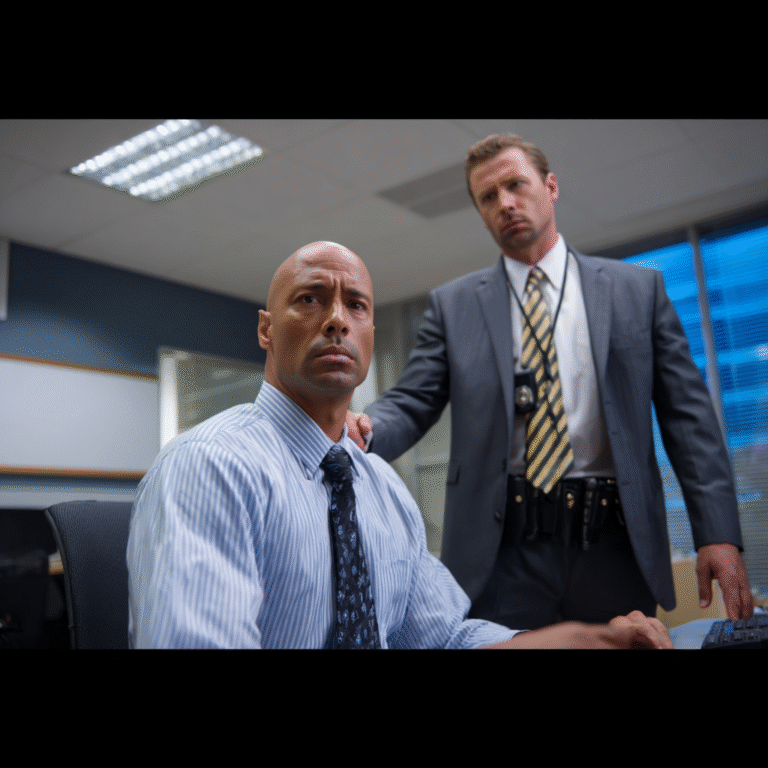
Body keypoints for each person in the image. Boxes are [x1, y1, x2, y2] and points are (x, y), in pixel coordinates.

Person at [127, 240, 672, 648]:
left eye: (356, 305)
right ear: (266, 330)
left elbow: (448, 639)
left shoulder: (381, 489)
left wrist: (585, 641)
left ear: (369, 332)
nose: (337, 319)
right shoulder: (211, 467)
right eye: (310, 299)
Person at [349, 133, 754, 630]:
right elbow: (412, 400)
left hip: (613, 546)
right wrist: (365, 427)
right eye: (488, 197)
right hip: (501, 557)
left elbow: (689, 418)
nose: (506, 203)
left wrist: (717, 534)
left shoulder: (636, 291)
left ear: (552, 186)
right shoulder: (453, 307)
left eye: (516, 185)